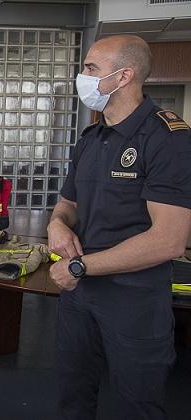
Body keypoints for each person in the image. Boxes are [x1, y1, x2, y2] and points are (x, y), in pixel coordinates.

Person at [47, 34, 191, 420]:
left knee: (137, 403)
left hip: (135, 298)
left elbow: (169, 241)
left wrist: (78, 266)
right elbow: (68, 205)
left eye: (91, 69)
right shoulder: (92, 137)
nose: (82, 76)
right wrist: (57, 226)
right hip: (80, 294)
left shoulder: (169, 139)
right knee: (73, 395)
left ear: (124, 76)